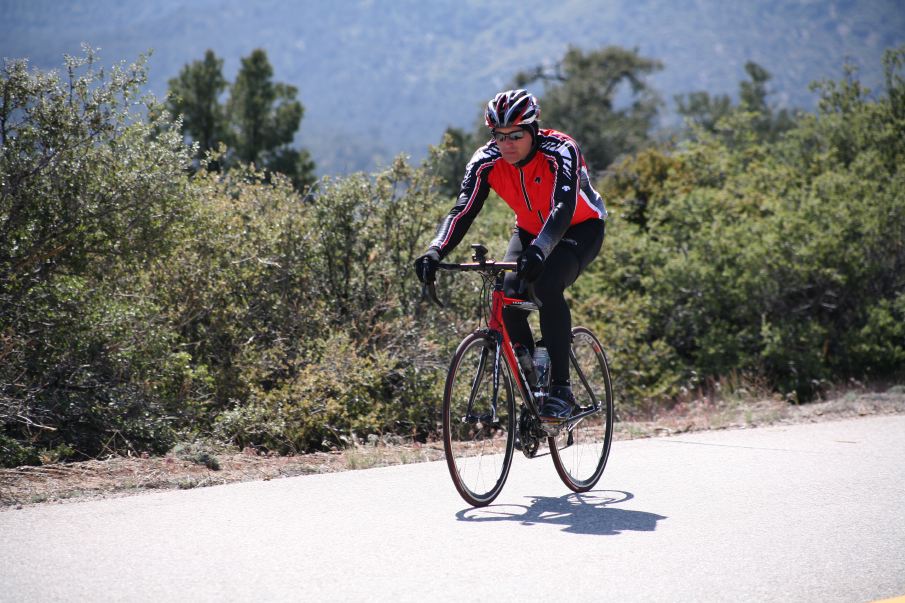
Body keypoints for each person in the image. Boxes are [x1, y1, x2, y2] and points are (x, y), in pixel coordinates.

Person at [414, 88, 607, 422]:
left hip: (579, 227)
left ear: (533, 130)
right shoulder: (485, 161)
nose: (507, 144)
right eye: (499, 136)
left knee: (546, 285)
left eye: (516, 135)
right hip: (530, 230)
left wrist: (541, 250)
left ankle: (561, 390)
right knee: (510, 299)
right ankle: (536, 385)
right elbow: (462, 210)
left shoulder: (561, 149)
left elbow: (562, 209)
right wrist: (435, 248)